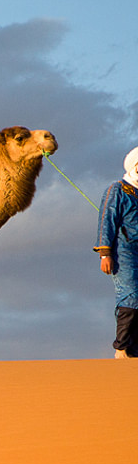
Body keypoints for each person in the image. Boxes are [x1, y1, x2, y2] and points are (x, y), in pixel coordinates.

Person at [95, 146, 138, 358]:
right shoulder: (118, 190)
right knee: (130, 297)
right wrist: (105, 254)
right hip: (124, 250)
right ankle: (121, 348)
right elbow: (106, 221)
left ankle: (134, 349)